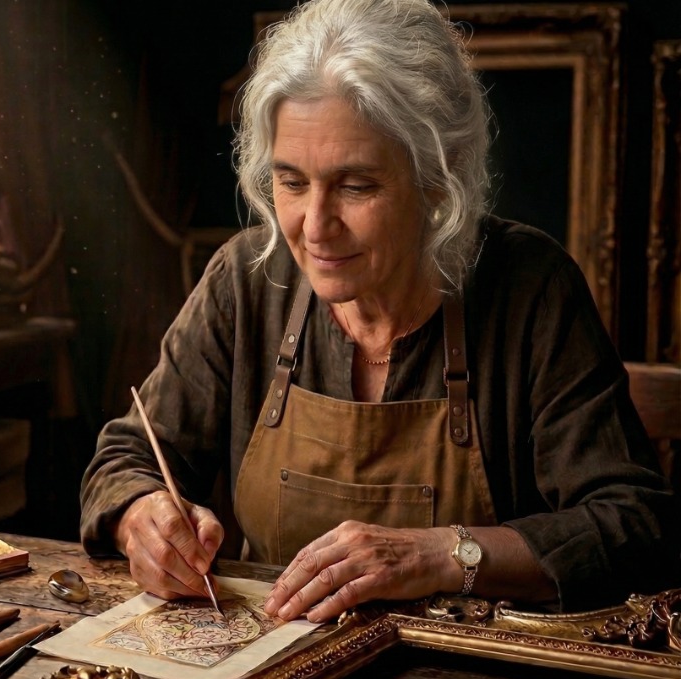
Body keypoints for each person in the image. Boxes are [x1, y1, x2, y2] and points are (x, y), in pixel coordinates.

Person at [80, 0, 680, 623]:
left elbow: (634, 525)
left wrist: (445, 554)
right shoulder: (247, 279)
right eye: (291, 182)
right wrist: (141, 519)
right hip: (276, 662)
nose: (314, 227)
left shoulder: (530, 288)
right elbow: (125, 459)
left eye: (356, 185)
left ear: (436, 181)